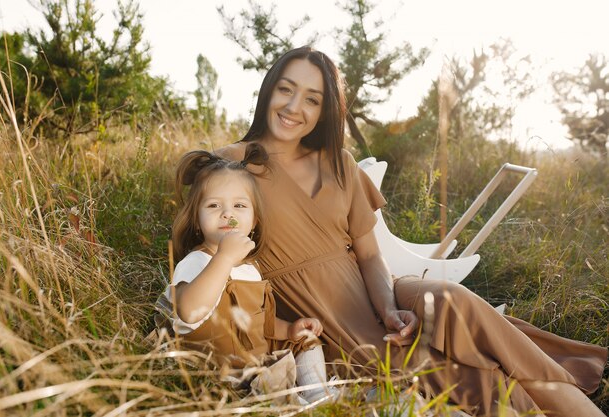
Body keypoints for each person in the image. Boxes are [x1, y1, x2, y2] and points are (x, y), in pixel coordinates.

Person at [216, 46, 608, 416]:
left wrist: (389, 309)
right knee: (471, 374)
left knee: (453, 298)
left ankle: (572, 401)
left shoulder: (341, 164)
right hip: (320, 317)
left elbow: (369, 256)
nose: (293, 106)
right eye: (286, 89)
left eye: (312, 99)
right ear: (268, 90)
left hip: (377, 292)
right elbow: (195, 183)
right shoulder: (233, 164)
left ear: (324, 111)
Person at [155, 143, 338, 403]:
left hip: (258, 358)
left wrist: (289, 330)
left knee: (306, 339)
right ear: (196, 219)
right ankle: (301, 404)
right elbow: (189, 312)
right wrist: (224, 258)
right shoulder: (195, 262)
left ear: (254, 222)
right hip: (222, 369)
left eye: (240, 206)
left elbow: (258, 321)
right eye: (214, 206)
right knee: (268, 392)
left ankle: (318, 393)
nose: (227, 213)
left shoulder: (250, 268)